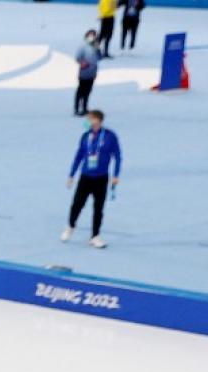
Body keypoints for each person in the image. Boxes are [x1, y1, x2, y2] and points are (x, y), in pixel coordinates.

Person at [63, 109, 120, 248]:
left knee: (98, 208)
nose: (87, 121)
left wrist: (116, 175)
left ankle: (95, 236)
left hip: (101, 178)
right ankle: (70, 226)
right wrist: (71, 174)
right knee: (77, 204)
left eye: (89, 119)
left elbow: (117, 156)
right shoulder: (85, 137)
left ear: (97, 120)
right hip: (85, 177)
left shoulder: (109, 136)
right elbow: (79, 156)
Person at [73, 31, 102, 117]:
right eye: (90, 36)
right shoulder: (83, 47)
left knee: (88, 91)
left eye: (93, 36)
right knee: (81, 90)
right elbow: (77, 57)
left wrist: (98, 50)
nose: (92, 38)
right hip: (84, 72)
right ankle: (77, 108)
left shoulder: (96, 46)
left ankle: (85, 107)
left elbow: (99, 58)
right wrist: (82, 63)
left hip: (92, 72)